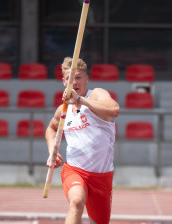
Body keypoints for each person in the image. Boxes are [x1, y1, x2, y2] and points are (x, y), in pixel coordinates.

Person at [45, 57, 120, 224]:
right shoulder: (63, 110)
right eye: (69, 79)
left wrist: (80, 100)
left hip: (102, 176)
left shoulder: (96, 94)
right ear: (64, 82)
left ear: (87, 78)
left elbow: (114, 109)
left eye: (78, 77)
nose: (74, 82)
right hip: (75, 170)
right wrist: (52, 151)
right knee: (77, 201)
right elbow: (51, 129)